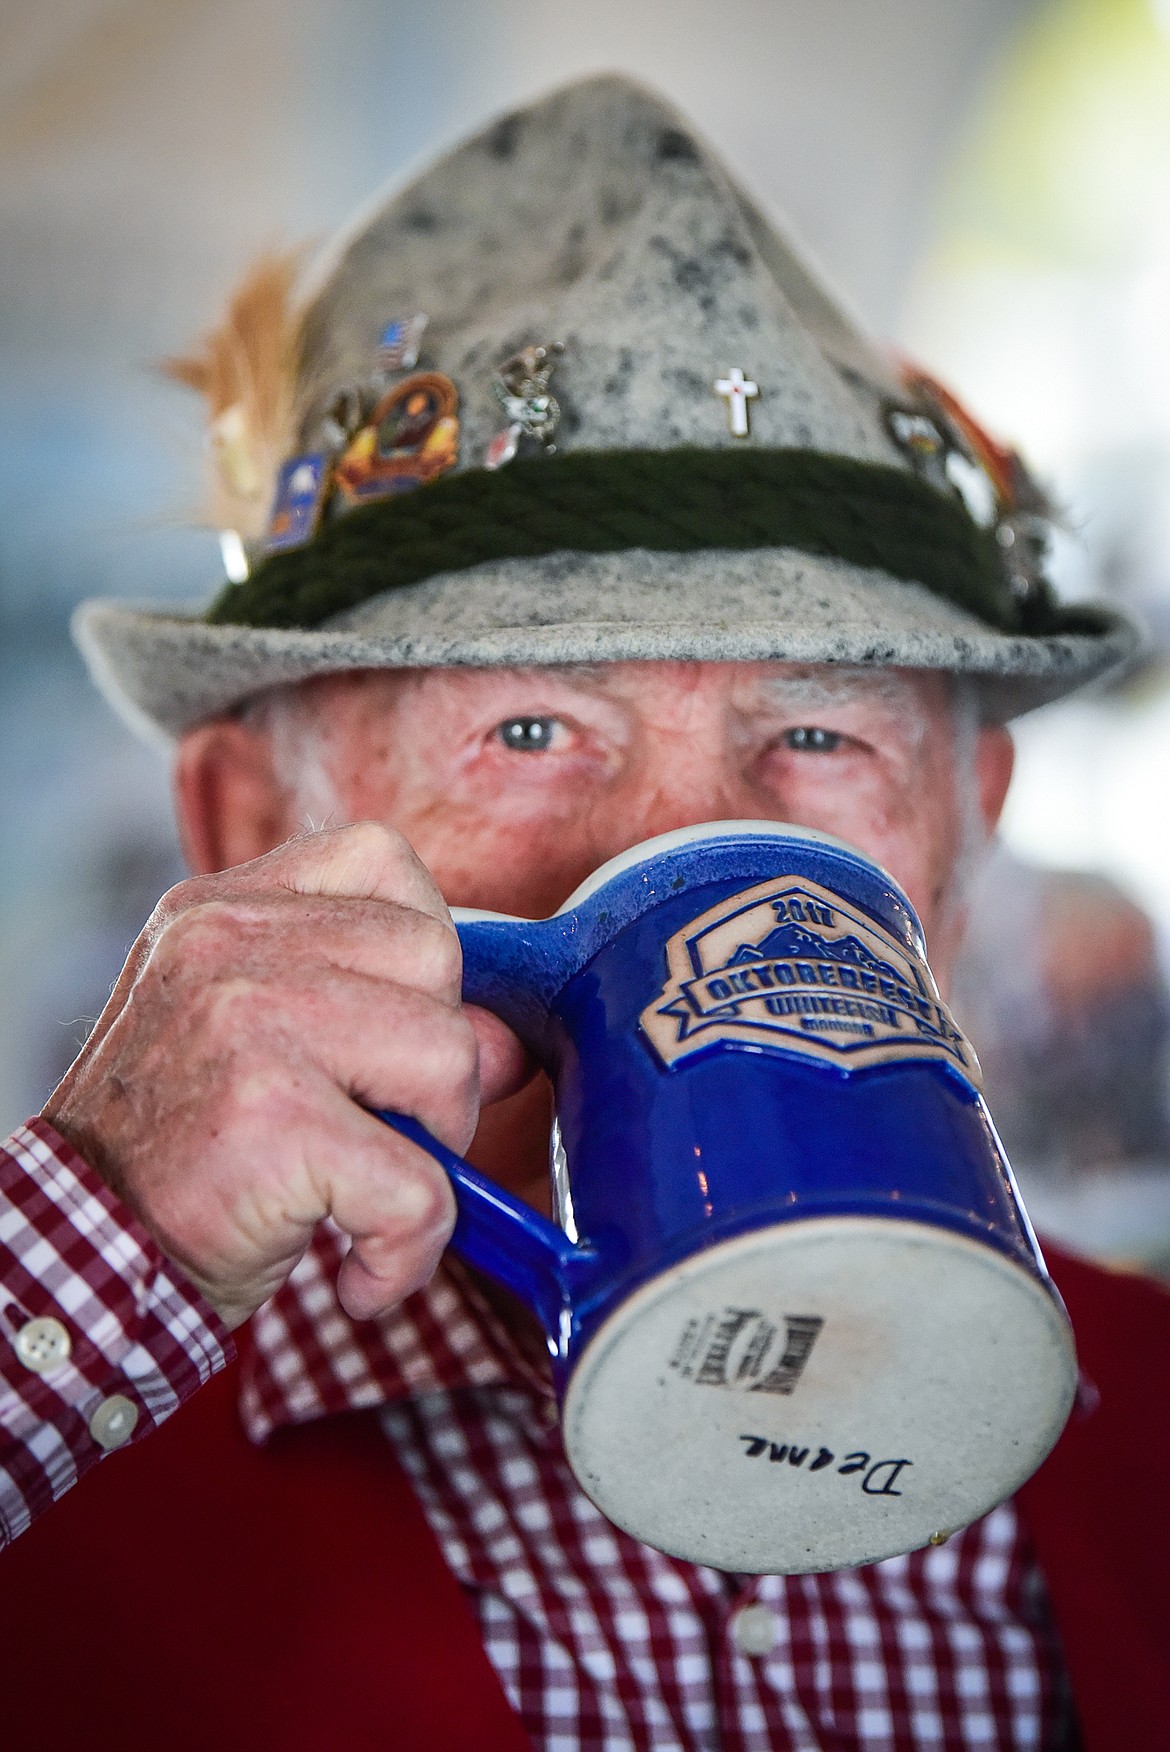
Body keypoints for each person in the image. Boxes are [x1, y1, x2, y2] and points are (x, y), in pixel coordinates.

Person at [1, 73, 1167, 1752]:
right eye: (531, 729)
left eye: (819, 730)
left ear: (963, 838)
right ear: (253, 830)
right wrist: (117, 1226)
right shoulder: (61, 1436)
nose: (690, 835)